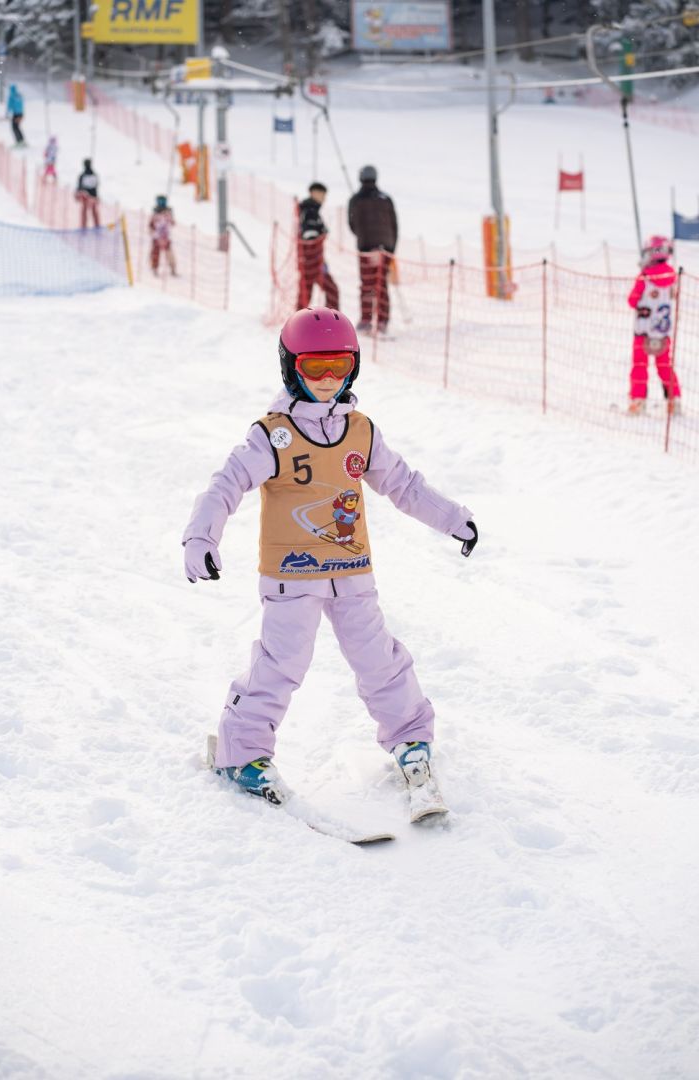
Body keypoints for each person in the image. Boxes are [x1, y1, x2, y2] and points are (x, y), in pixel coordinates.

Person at [182, 306, 478, 807]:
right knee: (281, 664)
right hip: (291, 576)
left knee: (379, 660)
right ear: (290, 367)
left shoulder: (361, 432)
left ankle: (410, 739)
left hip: (351, 572)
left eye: (338, 366)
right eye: (314, 367)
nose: (327, 379)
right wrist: (201, 538)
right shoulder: (272, 434)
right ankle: (241, 753)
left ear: (353, 368)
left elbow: (404, 485)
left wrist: (452, 518)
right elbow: (225, 484)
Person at [627, 235, 681, 416]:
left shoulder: (644, 278)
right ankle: (674, 400)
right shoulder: (672, 277)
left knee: (640, 366)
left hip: (643, 331)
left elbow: (632, 301)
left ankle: (638, 401)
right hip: (663, 332)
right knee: (664, 366)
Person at [347, 165, 398, 333]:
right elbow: (394, 224)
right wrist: (391, 248)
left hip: (366, 248)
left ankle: (366, 319)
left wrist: (362, 237)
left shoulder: (356, 199)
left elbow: (352, 224)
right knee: (381, 284)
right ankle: (382, 321)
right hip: (385, 248)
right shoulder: (386, 199)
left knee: (367, 284)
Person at [296, 181, 339, 310]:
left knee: (305, 293)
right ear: (314, 193)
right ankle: (331, 319)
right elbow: (310, 237)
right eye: (323, 195)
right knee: (332, 290)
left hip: (309, 260)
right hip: (312, 261)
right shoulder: (310, 211)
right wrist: (317, 260)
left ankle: (298, 318)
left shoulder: (309, 210)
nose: (324, 199)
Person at [149, 194, 177, 276]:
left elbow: (172, 223)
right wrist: (153, 231)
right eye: (160, 201)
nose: (161, 203)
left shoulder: (168, 212)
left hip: (166, 237)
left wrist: (168, 215)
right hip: (157, 237)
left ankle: (173, 268)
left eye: (163, 201)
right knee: (155, 253)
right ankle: (155, 268)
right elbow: (151, 225)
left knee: (170, 254)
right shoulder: (155, 213)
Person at [76, 159, 100, 229]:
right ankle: (97, 226)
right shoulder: (94, 174)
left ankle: (83, 226)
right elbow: (97, 185)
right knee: (94, 212)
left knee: (84, 211)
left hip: (86, 197)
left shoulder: (83, 175)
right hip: (94, 196)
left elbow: (80, 187)